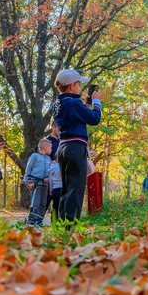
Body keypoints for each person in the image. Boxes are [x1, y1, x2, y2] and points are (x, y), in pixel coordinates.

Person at [52, 69, 102, 224]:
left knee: (66, 188)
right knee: (77, 187)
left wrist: (85, 105)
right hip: (75, 147)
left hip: (63, 147)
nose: (80, 87)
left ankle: (62, 222)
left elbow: (75, 115)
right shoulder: (74, 103)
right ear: (72, 85)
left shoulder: (58, 103)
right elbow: (94, 119)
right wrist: (97, 103)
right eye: (79, 84)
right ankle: (72, 225)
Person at [24, 139, 52, 226]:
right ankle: (32, 220)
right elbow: (29, 168)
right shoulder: (35, 156)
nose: (51, 150)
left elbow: (50, 171)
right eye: (50, 148)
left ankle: (39, 220)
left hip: (45, 183)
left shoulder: (48, 158)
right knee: (35, 202)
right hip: (35, 181)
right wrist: (26, 180)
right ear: (45, 148)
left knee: (43, 203)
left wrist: (49, 179)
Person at [48, 155, 62, 221]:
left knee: (55, 205)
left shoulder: (52, 167)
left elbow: (50, 180)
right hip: (62, 188)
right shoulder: (61, 167)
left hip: (54, 188)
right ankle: (61, 220)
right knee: (62, 205)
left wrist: (50, 190)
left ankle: (53, 220)